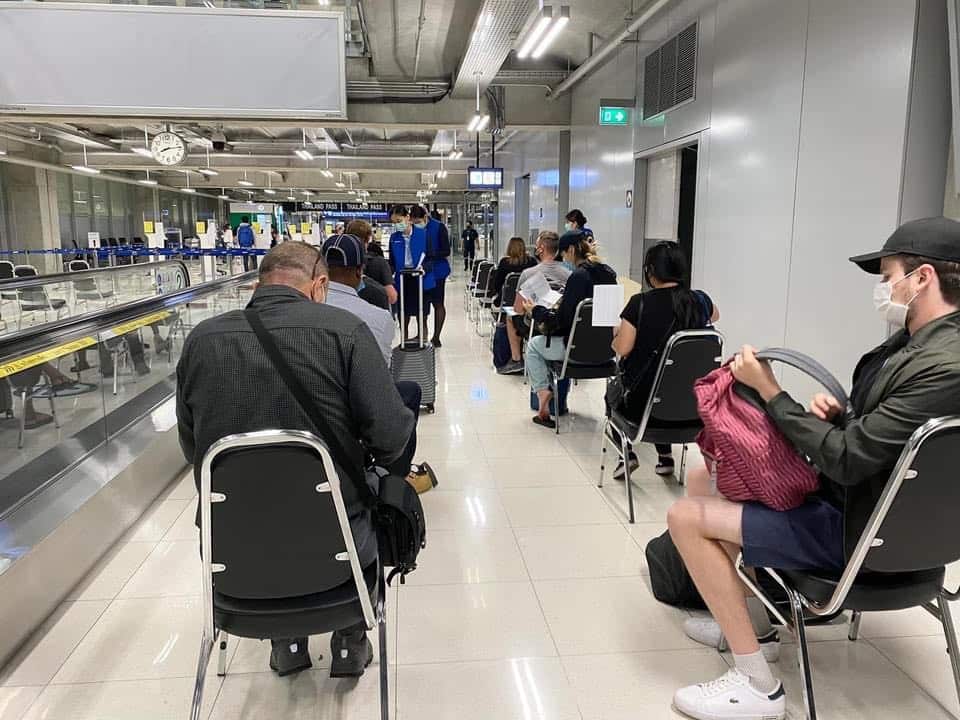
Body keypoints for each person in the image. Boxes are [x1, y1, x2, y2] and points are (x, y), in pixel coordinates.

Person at [665, 216, 960, 720]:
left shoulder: (941, 365)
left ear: (923, 277)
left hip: (859, 533)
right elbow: (896, 442)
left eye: (888, 276)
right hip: (891, 519)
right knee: (704, 477)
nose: (883, 288)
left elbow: (846, 461)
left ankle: (758, 683)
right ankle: (754, 622)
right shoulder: (923, 346)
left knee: (685, 517)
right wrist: (847, 419)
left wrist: (769, 392)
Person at [176, 242, 416, 680]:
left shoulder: (201, 341)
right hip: (336, 549)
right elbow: (392, 435)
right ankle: (349, 641)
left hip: (233, 559)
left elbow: (194, 451)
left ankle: (285, 644)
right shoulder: (345, 332)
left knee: (269, 508)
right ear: (319, 284)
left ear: (258, 284)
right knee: (355, 504)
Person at [611, 241, 719, 478]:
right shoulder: (700, 300)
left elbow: (623, 348)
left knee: (612, 394)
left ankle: (626, 454)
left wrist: (615, 336)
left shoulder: (639, 304)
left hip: (645, 408)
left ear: (650, 271)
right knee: (666, 382)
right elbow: (715, 315)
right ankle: (665, 457)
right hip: (693, 406)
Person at [523, 231, 617, 427]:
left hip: (576, 351)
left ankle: (542, 394)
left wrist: (537, 311)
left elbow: (563, 321)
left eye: (564, 255)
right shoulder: (609, 274)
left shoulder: (578, 277)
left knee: (533, 346)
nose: (564, 260)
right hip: (607, 351)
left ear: (572, 250)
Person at [498, 231, 570, 376]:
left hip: (534, 324)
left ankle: (516, 359)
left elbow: (518, 309)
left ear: (541, 248)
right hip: (560, 324)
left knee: (510, 317)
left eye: (537, 246)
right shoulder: (568, 274)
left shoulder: (528, 273)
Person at [388, 205, 433, 343]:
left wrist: (424, 268)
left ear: (407, 218)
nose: (397, 225)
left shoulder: (423, 234)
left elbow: (431, 257)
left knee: (422, 312)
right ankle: (404, 339)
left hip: (420, 277)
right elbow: (392, 262)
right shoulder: (394, 238)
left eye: (399, 221)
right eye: (394, 223)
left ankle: (423, 337)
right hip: (402, 278)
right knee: (403, 312)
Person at [411, 205, 451, 347]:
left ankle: (436, 336)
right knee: (421, 304)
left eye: (418, 222)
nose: (416, 225)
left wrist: (431, 253)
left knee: (438, 303)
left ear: (425, 217)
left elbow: (446, 250)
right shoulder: (413, 230)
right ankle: (423, 332)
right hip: (420, 272)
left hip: (438, 271)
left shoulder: (439, 227)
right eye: (414, 223)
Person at [346, 219, 398, 306]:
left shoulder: (343, 261)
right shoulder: (379, 262)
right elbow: (392, 297)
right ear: (369, 238)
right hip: (375, 312)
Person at [491, 237, 537, 307]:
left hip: (506, 299)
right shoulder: (532, 262)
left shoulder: (504, 262)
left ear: (509, 248)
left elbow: (497, 284)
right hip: (526, 300)